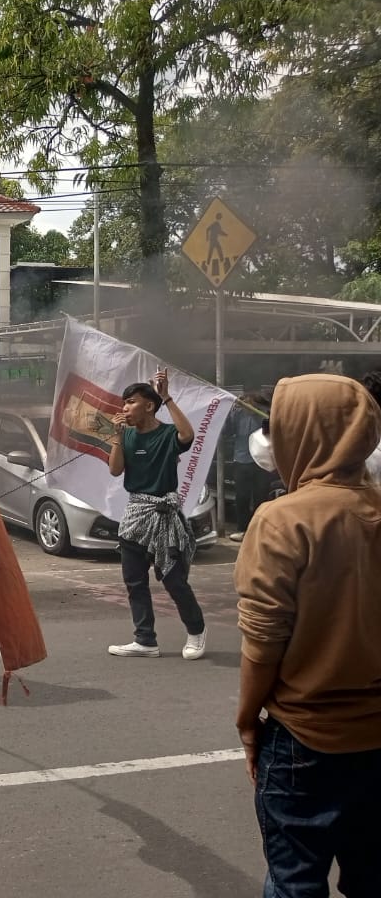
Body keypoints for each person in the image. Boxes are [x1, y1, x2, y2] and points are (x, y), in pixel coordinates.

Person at [233, 374, 381, 895]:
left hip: (303, 738)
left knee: (295, 880)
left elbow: (263, 641)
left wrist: (247, 719)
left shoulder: (281, 519)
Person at [104, 371, 207, 660]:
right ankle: (145, 640)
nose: (124, 408)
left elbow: (188, 435)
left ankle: (196, 631)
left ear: (148, 406)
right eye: (124, 403)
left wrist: (166, 397)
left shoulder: (165, 434)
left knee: (174, 581)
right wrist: (116, 437)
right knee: (134, 582)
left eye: (131, 402)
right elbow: (115, 470)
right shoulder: (127, 435)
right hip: (135, 515)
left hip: (163, 516)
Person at [224, 382, 271, 541]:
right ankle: (242, 529)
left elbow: (270, 431)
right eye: (247, 396)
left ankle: (259, 529)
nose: (249, 400)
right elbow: (228, 432)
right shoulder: (237, 413)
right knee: (241, 497)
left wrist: (259, 411)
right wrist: (233, 411)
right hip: (241, 459)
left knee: (261, 497)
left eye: (252, 396)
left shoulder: (265, 412)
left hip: (262, 461)